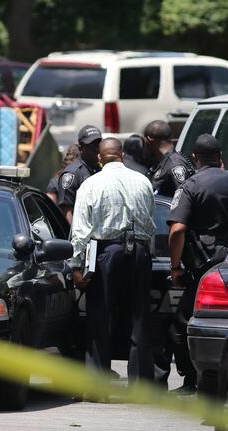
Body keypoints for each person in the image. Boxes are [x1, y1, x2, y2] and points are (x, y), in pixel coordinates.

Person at [165, 134, 228, 395]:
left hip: (203, 266)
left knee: (181, 323)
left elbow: (177, 229)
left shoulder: (191, 185)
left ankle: (193, 381)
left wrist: (175, 267)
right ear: (220, 156)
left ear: (194, 157)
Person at [70, 137, 156, 386]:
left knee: (99, 318)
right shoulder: (142, 181)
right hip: (139, 251)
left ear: (99, 158)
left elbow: (80, 230)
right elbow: (150, 221)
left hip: (105, 252)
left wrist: (77, 266)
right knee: (139, 318)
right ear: (121, 156)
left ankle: (96, 385)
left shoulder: (91, 184)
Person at [57, 125, 102, 224]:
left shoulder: (101, 170)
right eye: (92, 145)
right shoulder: (72, 174)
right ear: (81, 148)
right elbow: (66, 211)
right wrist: (76, 237)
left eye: (99, 144)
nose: (97, 149)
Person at [144, 120, 194, 196]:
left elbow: (183, 197)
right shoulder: (162, 162)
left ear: (149, 140)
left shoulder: (175, 163)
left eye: (144, 141)